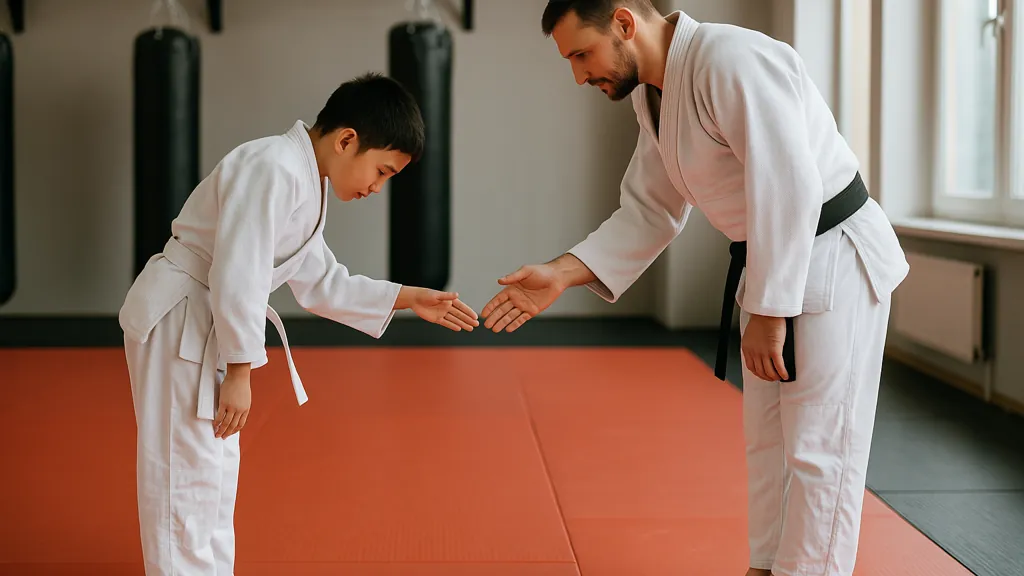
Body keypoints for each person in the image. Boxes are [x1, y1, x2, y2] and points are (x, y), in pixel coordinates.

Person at [480, 2, 909, 575]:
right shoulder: (654, 92)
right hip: (775, 262)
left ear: (625, 23)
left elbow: (791, 181)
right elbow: (652, 208)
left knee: (820, 449)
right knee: (769, 444)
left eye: (582, 54)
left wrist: (768, 310)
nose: (579, 75)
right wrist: (563, 271)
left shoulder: (731, 60)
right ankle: (765, 567)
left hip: (831, 255)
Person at [118, 72, 479, 575]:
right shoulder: (274, 168)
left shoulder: (304, 181)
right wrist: (242, 372)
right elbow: (238, 269)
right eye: (382, 171)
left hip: (204, 319)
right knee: (185, 474)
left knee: (213, 476)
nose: (377, 187)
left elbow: (323, 282)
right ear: (347, 139)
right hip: (183, 315)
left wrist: (405, 297)